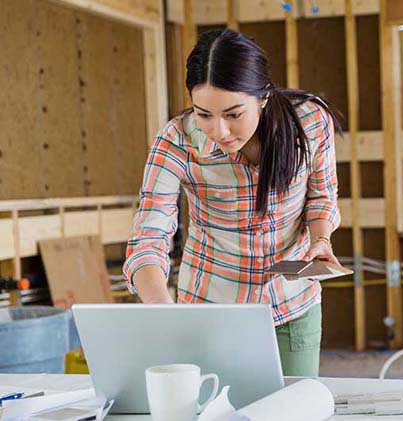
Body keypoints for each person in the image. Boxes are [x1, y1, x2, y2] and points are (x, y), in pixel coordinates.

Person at [123, 29, 342, 377]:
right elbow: (148, 238)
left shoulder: (310, 122)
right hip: (208, 310)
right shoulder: (177, 141)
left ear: (264, 97)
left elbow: (320, 195)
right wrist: (163, 311)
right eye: (204, 115)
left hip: (291, 308)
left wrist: (320, 240)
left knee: (295, 408)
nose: (220, 131)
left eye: (234, 114)